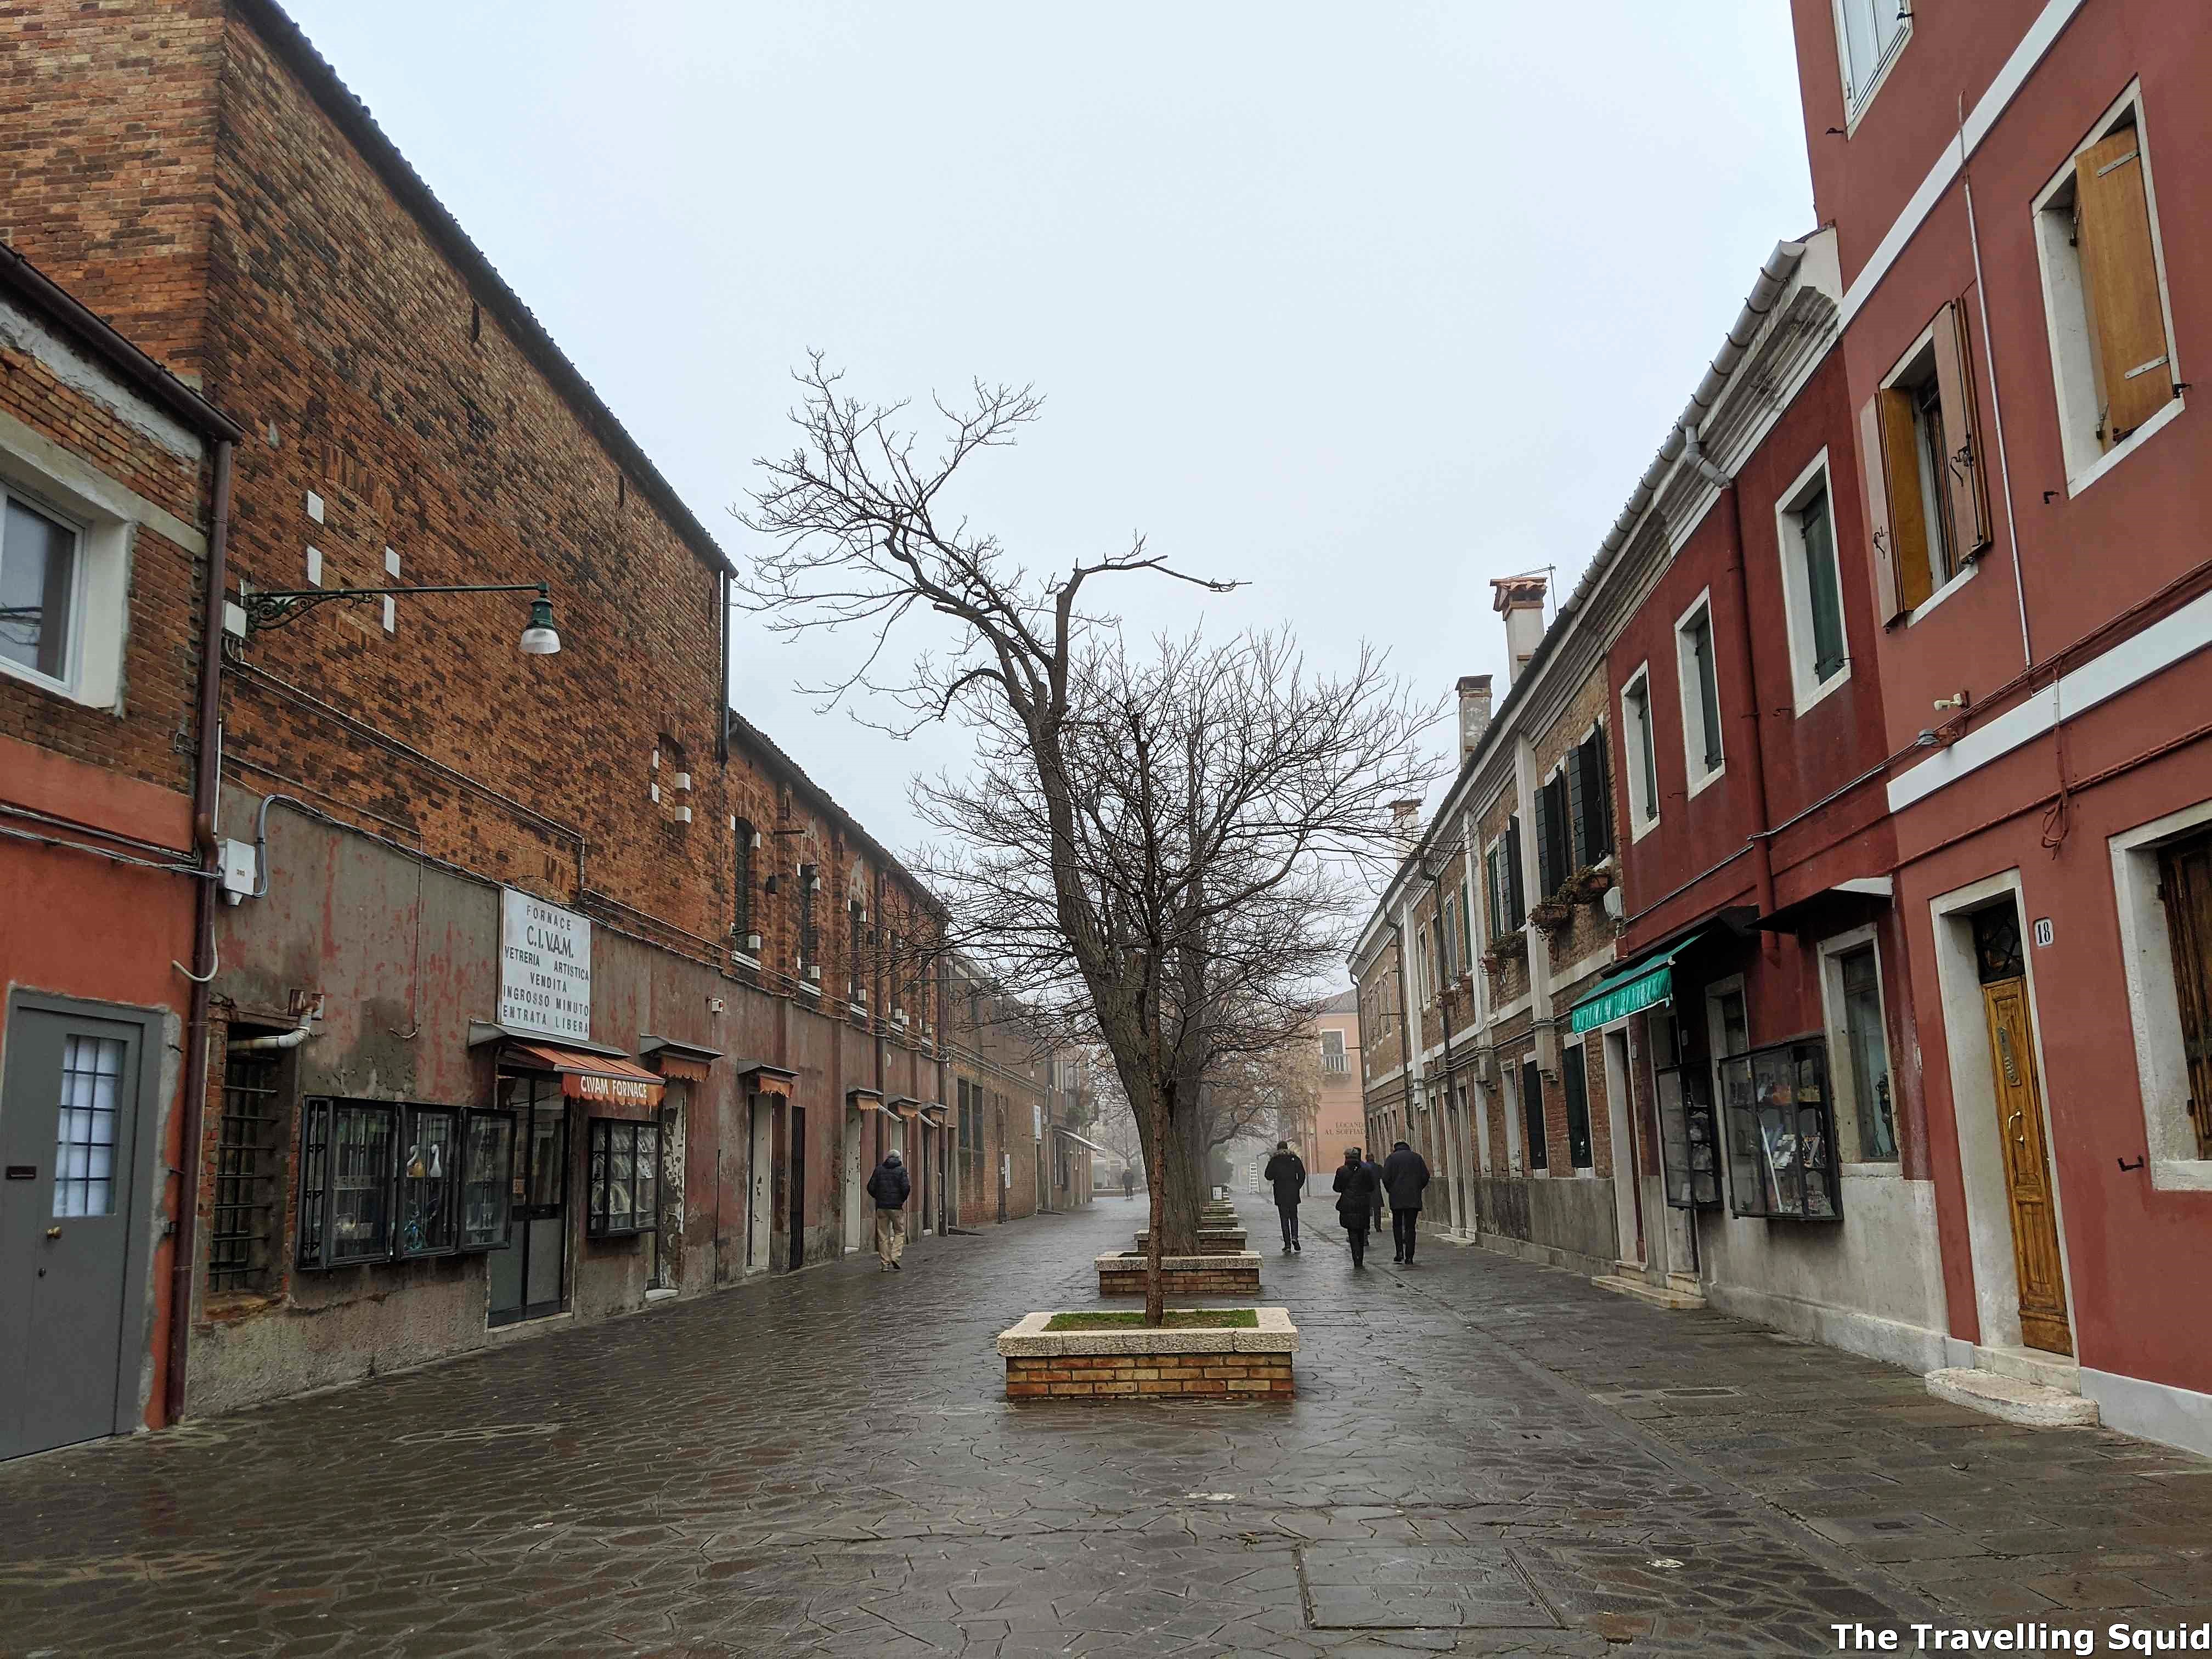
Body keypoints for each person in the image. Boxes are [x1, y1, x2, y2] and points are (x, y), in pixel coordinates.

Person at [1382, 1138, 1431, 1264]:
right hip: (1413, 1198)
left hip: (1396, 1198)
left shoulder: (1391, 1159)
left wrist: (1391, 1190)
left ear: (1396, 1148)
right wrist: (1418, 1188)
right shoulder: (1417, 1158)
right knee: (1410, 1227)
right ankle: (1410, 1256)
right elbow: (1425, 1176)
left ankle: (1399, 1253)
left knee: (1397, 1226)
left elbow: (1386, 1178)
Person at [865, 1149, 910, 1271]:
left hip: (882, 1207)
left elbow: (870, 1187)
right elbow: (906, 1188)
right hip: (896, 1207)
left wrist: (879, 1198)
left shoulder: (879, 1170)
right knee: (899, 1232)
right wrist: (901, 1200)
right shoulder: (902, 1171)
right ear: (899, 1158)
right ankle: (895, 1256)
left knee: (883, 1235)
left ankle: (885, 1264)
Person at [1332, 1146, 1377, 1268]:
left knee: (1352, 1232)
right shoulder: (1366, 1171)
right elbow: (1371, 1187)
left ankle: (1356, 1259)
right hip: (1363, 1204)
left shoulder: (1341, 1171)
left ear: (1346, 1158)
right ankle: (1360, 1258)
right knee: (1361, 1231)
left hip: (1348, 1204)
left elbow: (1337, 1188)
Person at [1262, 1141, 1307, 1254]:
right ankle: (1295, 1237)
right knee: (1294, 1216)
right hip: (1293, 1192)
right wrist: (1297, 1186)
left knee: (1284, 1218)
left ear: (1278, 1149)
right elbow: (1302, 1174)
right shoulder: (1295, 1159)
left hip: (1280, 1192)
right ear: (1287, 1148)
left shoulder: (1274, 1160)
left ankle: (1287, 1245)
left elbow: (1268, 1176)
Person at [1361, 1148, 1386, 1240]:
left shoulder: (1363, 1167)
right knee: (1377, 1210)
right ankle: (1378, 1227)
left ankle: (1367, 1228)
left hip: (1366, 1191)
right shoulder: (1378, 1167)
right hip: (1376, 1190)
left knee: (1366, 1211)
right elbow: (1383, 1176)